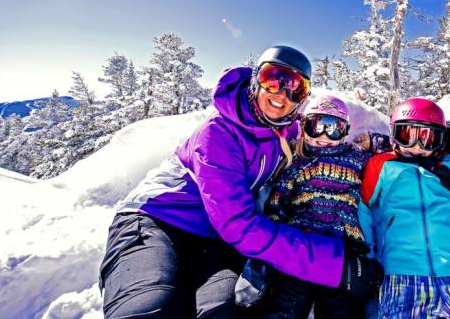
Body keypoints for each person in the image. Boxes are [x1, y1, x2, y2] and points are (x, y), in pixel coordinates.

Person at [98, 46, 381, 319]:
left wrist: (377, 140)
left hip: (214, 240)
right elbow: (240, 226)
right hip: (159, 221)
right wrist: (334, 265)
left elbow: (330, 141)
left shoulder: (288, 131)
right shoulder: (217, 133)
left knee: (220, 312)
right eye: (273, 80)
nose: (282, 95)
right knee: (152, 308)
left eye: (296, 88)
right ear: (254, 81)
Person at [235, 95, 384, 318]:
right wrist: (275, 239)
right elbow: (278, 200)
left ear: (345, 131)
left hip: (343, 249)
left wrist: (372, 141)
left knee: (341, 308)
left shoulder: (356, 156)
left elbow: (397, 146)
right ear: (304, 127)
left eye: (333, 128)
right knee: (285, 304)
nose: (324, 136)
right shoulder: (297, 160)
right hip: (301, 244)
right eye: (316, 127)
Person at [359, 97, 450, 319]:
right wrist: (368, 254)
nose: (417, 147)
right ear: (393, 135)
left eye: (428, 138)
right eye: (407, 135)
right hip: (402, 272)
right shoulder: (382, 165)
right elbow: (364, 207)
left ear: (440, 140)